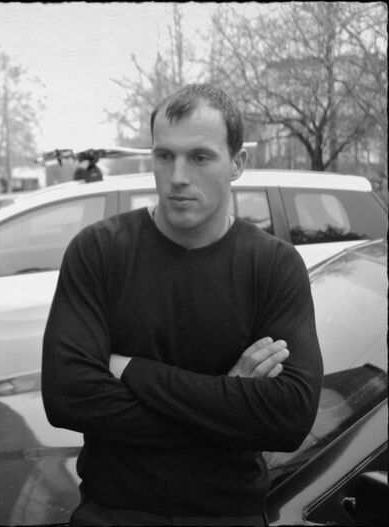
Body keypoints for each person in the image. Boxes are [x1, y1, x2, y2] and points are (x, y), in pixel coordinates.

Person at [42, 84, 323, 526]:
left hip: (228, 515)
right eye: (164, 156)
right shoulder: (99, 251)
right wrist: (229, 404)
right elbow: (68, 398)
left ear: (238, 164)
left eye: (200, 157)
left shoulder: (273, 265)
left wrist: (133, 370)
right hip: (113, 511)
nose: (177, 176)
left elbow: (288, 417)